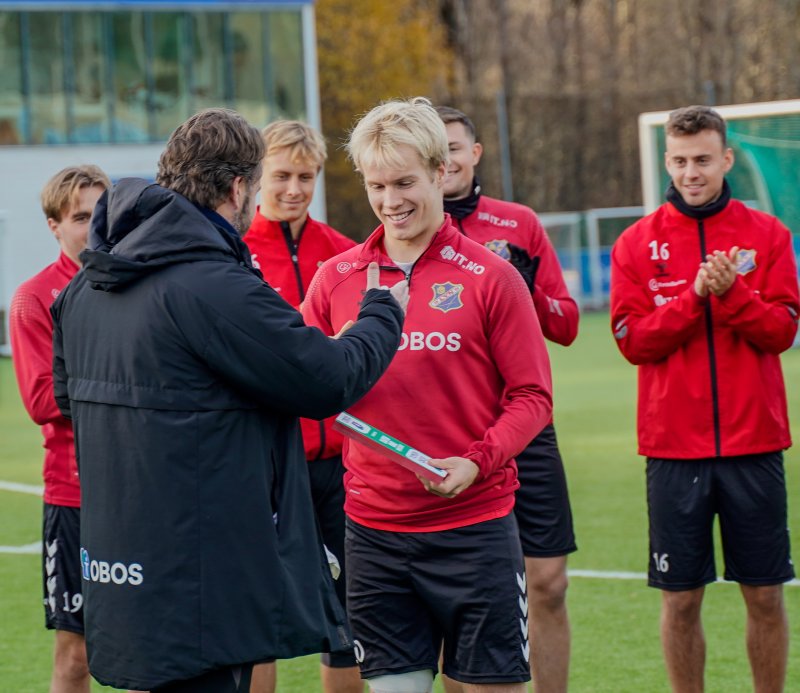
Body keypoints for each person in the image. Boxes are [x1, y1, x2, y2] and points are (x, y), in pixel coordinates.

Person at [50, 108, 407, 692]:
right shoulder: (211, 284)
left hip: (124, 557)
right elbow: (326, 379)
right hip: (202, 565)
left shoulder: (85, 287)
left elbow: (72, 400)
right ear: (241, 187)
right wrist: (382, 313)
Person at [302, 96, 553, 693]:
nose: (392, 202)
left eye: (406, 182)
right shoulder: (335, 280)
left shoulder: (493, 277)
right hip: (373, 535)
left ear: (442, 172)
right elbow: (298, 385)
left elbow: (532, 396)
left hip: (476, 529)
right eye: (377, 186)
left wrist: (477, 460)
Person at [610, 105, 798, 693]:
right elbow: (633, 341)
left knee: (765, 595)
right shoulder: (636, 244)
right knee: (682, 601)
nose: (692, 172)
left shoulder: (767, 235)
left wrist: (733, 294)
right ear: (667, 160)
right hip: (674, 452)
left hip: (755, 444)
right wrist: (694, 300)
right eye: (681, 160)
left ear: (727, 159)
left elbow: (782, 331)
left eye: (703, 160)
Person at [436, 106, 578, 693]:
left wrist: (526, 289)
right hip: (448, 432)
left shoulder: (519, 223)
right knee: (450, 591)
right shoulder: (409, 227)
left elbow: (567, 323)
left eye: (454, 146)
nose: (444, 159)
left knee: (548, 583)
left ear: (476, 153)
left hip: (525, 426)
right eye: (433, 148)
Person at [243, 121, 360, 693]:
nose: (293, 188)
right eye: (281, 175)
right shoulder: (233, 252)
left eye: (306, 177)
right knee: (258, 615)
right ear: (255, 177)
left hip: (340, 464)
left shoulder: (342, 252)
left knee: (347, 619)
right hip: (264, 461)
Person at [9, 165, 110, 693]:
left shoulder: (134, 282)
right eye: (79, 217)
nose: (93, 227)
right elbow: (43, 399)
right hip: (75, 498)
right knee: (76, 655)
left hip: (141, 494)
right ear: (54, 225)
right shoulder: (34, 297)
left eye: (101, 213)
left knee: (157, 643)